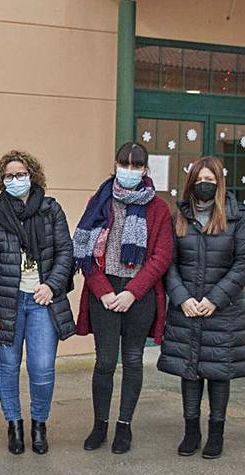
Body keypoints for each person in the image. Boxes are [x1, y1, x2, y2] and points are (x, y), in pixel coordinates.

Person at [74, 142, 173, 454]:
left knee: (132, 360)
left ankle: (124, 427)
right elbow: (85, 251)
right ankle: (99, 425)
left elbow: (162, 256)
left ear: (144, 170)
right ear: (115, 164)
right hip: (103, 291)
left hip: (139, 294)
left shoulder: (158, 208)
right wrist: (104, 291)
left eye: (136, 165)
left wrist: (132, 292)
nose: (129, 170)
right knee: (104, 361)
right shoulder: (99, 200)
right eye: (124, 164)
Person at [0, 150, 76, 455]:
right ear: (1, 180)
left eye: (21, 174)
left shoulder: (51, 210)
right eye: (9, 175)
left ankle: (39, 425)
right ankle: (14, 425)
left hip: (42, 300)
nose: (15, 180)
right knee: (7, 367)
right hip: (7, 301)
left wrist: (51, 285)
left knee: (42, 367)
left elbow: (65, 253)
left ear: (32, 176)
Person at [157, 156, 245, 459]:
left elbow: (244, 263)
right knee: (190, 371)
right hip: (186, 307)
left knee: (218, 372)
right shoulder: (178, 217)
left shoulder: (238, 218)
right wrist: (182, 297)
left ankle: (216, 432)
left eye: (210, 181)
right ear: (190, 182)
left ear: (219, 184)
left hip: (222, 310)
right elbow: (167, 262)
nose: (204, 185)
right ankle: (191, 431)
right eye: (200, 179)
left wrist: (214, 299)